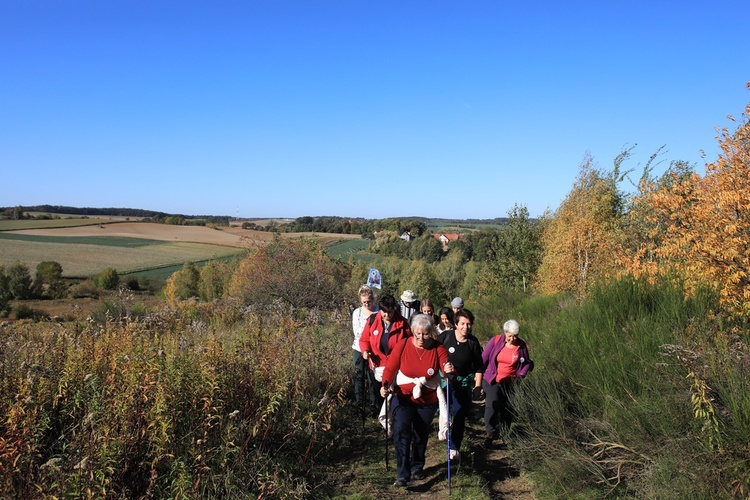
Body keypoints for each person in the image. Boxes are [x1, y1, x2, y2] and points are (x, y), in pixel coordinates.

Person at [381, 314, 455, 487]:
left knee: (420, 434)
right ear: (412, 332)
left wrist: (449, 371)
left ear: (432, 333)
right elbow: (391, 367)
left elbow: (447, 368)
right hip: (404, 397)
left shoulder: (438, 348)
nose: (421, 338)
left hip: (427, 400)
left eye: (426, 334)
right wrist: (385, 384)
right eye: (418, 334)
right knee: (401, 431)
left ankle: (417, 467)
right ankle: (402, 474)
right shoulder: (403, 344)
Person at [437, 309, 484, 462]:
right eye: (462, 323)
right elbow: (434, 355)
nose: (465, 327)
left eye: (469, 324)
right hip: (445, 381)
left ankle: (454, 447)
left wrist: (477, 386)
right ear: (456, 324)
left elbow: (479, 366)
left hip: (463, 383)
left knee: (459, 414)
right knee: (444, 411)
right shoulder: (445, 337)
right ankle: (443, 431)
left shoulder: (473, 342)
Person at [481, 319, 533, 444]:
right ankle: (490, 433)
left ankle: (505, 433)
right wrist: (477, 377)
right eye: (510, 336)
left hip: (510, 382)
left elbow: (527, 362)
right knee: (491, 405)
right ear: (505, 332)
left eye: (515, 336)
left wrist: (521, 374)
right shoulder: (496, 340)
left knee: (507, 408)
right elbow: (484, 358)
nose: (512, 339)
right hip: (493, 379)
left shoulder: (521, 346)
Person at [360, 294, 412, 411]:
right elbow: (364, 339)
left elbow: (410, 342)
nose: (387, 315)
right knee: (381, 396)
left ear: (394, 309)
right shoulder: (372, 321)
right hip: (377, 365)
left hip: (397, 366)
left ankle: (395, 419)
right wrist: (365, 351)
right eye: (384, 312)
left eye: (390, 312)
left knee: (395, 397)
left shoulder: (403, 323)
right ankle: (383, 422)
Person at [351, 285, 379, 415]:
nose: (367, 304)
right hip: (359, 348)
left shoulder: (378, 311)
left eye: (369, 301)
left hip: (375, 349)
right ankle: (360, 406)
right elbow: (357, 332)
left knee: (373, 377)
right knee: (359, 376)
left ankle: (375, 405)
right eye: (364, 302)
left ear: (373, 299)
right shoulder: (357, 313)